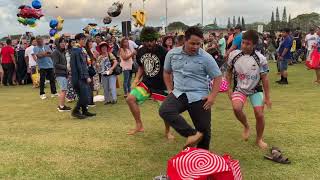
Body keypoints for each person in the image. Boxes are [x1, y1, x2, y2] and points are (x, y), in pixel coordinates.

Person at [159, 27, 222, 150]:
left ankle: (202, 158)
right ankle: (191, 134)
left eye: (199, 44)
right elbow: (166, 72)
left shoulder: (206, 57)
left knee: (204, 130)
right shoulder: (172, 54)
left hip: (199, 95)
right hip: (179, 93)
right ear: (185, 41)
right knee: (165, 111)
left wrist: (212, 97)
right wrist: (170, 89)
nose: (196, 46)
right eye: (192, 43)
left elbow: (218, 77)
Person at [226, 30, 271, 150]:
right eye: (243, 43)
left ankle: (259, 139)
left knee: (259, 114)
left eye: (248, 44)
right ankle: (246, 126)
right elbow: (228, 72)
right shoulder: (233, 55)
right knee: (236, 108)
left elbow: (265, 79)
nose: (244, 45)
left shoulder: (261, 59)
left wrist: (267, 97)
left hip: (255, 90)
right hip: (239, 89)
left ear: (254, 45)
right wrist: (229, 88)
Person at [126, 27, 173, 139]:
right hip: (146, 83)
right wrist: (137, 79)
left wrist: (170, 87)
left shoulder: (163, 51)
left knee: (165, 110)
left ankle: (168, 131)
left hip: (161, 85)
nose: (149, 43)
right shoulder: (141, 51)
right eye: (147, 41)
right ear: (143, 40)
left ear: (155, 39)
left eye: (151, 40)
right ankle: (139, 125)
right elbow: (141, 67)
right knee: (130, 99)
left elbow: (168, 71)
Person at [70, 33, 96, 119]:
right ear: (77, 40)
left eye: (85, 39)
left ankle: (84, 110)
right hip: (79, 77)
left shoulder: (80, 50)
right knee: (85, 95)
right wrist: (86, 76)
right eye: (82, 39)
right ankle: (76, 111)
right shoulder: (77, 51)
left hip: (80, 76)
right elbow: (80, 66)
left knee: (84, 95)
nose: (84, 41)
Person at [52, 37, 72, 112]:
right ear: (57, 43)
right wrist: (66, 68)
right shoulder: (56, 52)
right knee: (63, 90)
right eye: (61, 42)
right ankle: (61, 107)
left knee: (64, 89)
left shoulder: (62, 52)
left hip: (63, 73)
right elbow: (56, 64)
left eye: (64, 42)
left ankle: (62, 105)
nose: (63, 43)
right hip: (59, 73)